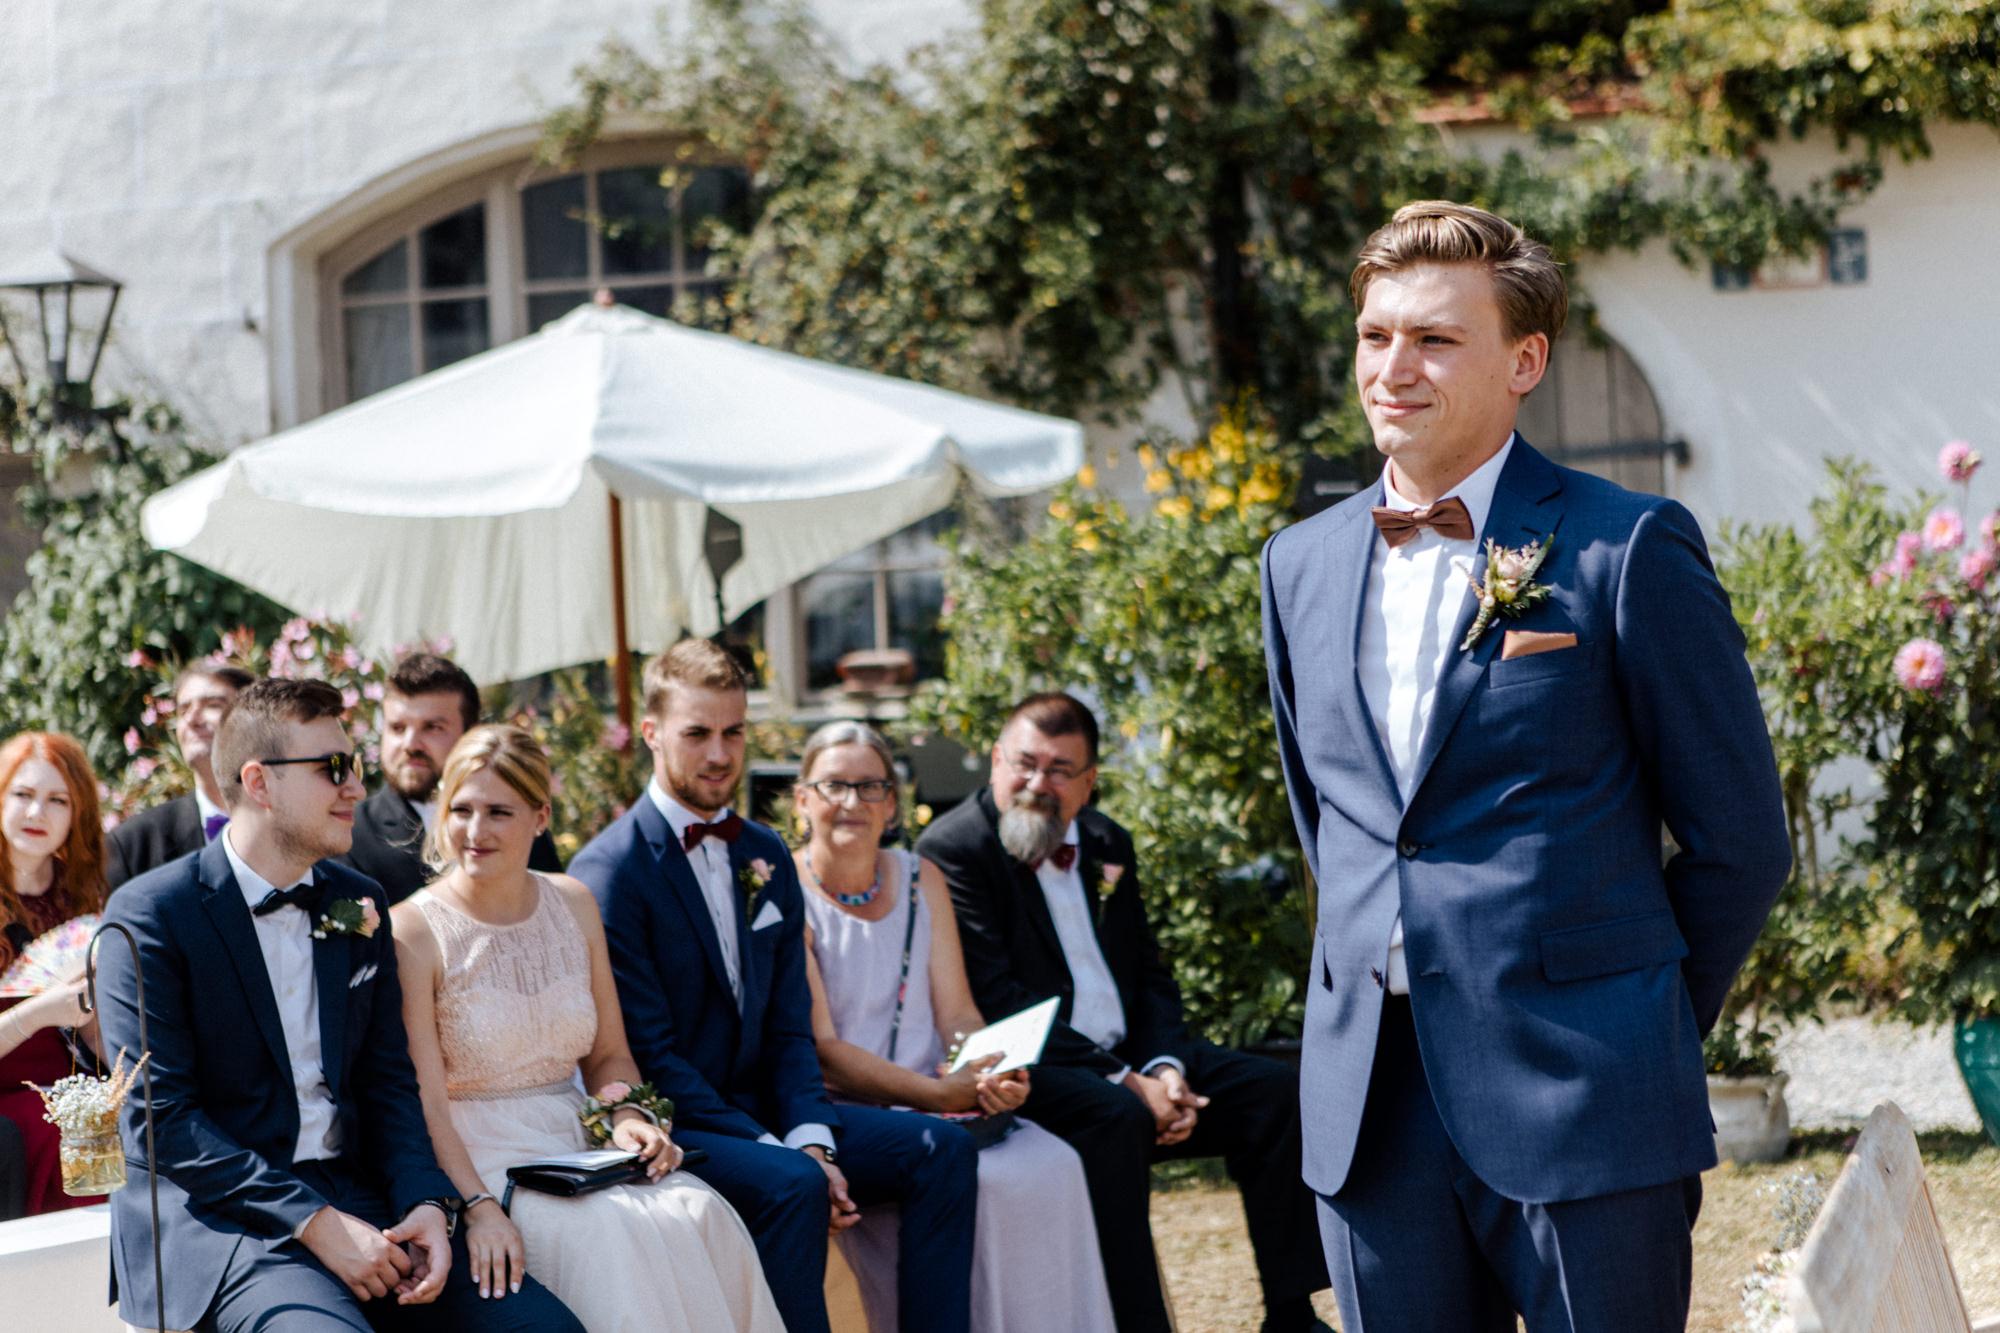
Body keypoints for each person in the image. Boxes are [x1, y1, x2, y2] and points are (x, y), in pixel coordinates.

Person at [1259, 200, 1791, 1333]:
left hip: (1584, 1090)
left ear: (1524, 360)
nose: (1392, 368)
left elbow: (1738, 841)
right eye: (1374, 335)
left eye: (1434, 339)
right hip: (1369, 1107)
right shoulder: (1293, 566)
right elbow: (1339, 831)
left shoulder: (1625, 544)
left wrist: (1629, 1024)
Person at [95, 678, 585, 1333]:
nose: (356, 786)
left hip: (366, 1201)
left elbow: (388, 1082)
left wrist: (426, 1205)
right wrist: (317, 1225)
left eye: (354, 765)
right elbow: (160, 1123)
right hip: (227, 1227)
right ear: (259, 782)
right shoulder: (150, 914)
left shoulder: (357, 901)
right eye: (334, 768)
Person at [569, 639, 978, 1333]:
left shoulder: (763, 853)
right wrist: (782, 1151)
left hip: (771, 1111)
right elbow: (652, 1055)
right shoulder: (609, 872)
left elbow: (791, 1026)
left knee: (942, 1148)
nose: (720, 754)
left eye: (733, 732)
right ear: (652, 733)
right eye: (697, 733)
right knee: (793, 1185)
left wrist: (812, 1135)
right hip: (680, 1120)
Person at [918, 693, 1329, 1333]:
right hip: (1030, 1065)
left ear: (1089, 782)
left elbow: (1150, 974)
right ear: (996, 760)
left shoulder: (1108, 841)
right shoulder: (954, 849)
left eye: (1059, 770)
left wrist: (1165, 1068)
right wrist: (1127, 1083)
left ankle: (1290, 1313)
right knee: (1117, 1118)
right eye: (1023, 763)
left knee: (1274, 1093)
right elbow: (998, 1001)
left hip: (1132, 1058)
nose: (1036, 783)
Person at [393, 724, 784, 1333]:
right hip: (481, 1152)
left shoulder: (573, 902)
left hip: (579, 1139)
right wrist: (477, 1208)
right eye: (461, 809)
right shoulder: (413, 933)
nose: (475, 831)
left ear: (541, 816)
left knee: (696, 1211)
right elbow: (426, 1105)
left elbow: (608, 1056)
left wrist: (629, 1118)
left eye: (499, 811)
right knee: (615, 1238)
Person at [793, 720, 1116, 1333]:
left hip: (944, 1098)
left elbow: (959, 1015)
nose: (851, 802)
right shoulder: (789, 890)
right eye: (834, 785)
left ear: (892, 804)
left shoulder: (921, 876)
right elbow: (823, 1050)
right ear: (803, 799)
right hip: (851, 1107)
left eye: (870, 787)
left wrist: (990, 1070)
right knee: (978, 1174)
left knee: (1053, 1165)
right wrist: (939, 1096)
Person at [346, 653, 561, 903]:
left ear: (472, 735)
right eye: (397, 728)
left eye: (433, 727)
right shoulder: (352, 835)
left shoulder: (519, 819)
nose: (410, 744)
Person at [0, 732, 108, 1217]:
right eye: (22, 794)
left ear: (76, 813)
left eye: (56, 800)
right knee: (59, 1127)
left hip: (70, 1084)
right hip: (10, 1100)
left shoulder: (82, 897)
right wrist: (42, 1011)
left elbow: (103, 1044)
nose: (36, 813)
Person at [106, 664, 256, 888]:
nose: (192, 720)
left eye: (213, 705)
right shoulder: (133, 844)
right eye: (183, 710)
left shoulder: (298, 823)